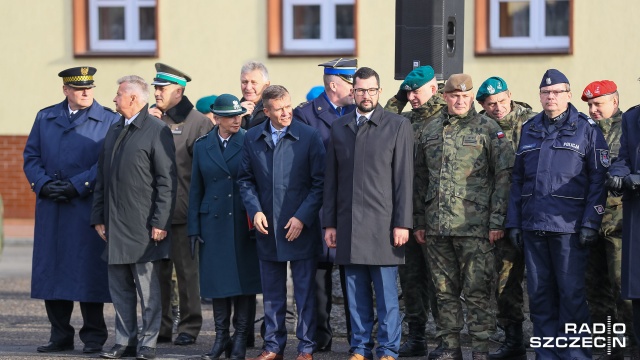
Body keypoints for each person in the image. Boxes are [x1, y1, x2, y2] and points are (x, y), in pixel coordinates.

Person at [505, 69, 608, 360]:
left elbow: (598, 179)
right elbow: (517, 180)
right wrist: (514, 222)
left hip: (570, 227)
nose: (551, 97)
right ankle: (547, 353)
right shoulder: (530, 128)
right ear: (540, 96)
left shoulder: (587, 128)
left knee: (572, 293)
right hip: (534, 225)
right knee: (539, 295)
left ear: (568, 95)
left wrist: (591, 221)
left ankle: (576, 353)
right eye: (546, 93)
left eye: (557, 92)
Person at [413, 74, 514, 360]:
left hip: (476, 227)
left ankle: (481, 349)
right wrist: (419, 221)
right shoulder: (430, 129)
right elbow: (420, 178)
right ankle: (450, 347)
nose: (460, 101)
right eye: (454, 96)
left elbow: (504, 178)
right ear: (444, 97)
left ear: (472, 98)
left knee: (477, 292)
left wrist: (497, 222)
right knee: (443, 292)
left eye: (466, 96)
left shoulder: (488, 129)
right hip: (437, 227)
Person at [23, 66, 120, 354]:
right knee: (52, 270)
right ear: (65, 90)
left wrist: (79, 185)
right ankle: (59, 334)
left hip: (85, 205)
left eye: (89, 87)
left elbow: (105, 161)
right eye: (79, 88)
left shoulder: (108, 120)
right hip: (52, 207)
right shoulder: (45, 117)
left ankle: (93, 336)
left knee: (88, 272)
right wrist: (42, 184)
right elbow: (31, 156)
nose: (86, 92)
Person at [323, 67, 414, 360]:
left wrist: (402, 223)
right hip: (348, 224)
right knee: (355, 294)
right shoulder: (339, 127)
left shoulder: (397, 125)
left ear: (379, 91)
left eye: (371, 90)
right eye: (361, 90)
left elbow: (404, 179)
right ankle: (360, 348)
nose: (366, 95)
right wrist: (330, 224)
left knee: (387, 296)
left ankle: (388, 349)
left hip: (384, 225)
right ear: (353, 92)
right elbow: (331, 181)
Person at [91, 75, 177, 360]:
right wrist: (98, 217)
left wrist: (160, 222)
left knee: (148, 292)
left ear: (133, 99)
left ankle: (148, 343)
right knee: (120, 291)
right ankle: (124, 342)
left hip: (143, 226)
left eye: (118, 95)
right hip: (115, 225)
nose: (114, 99)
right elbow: (102, 178)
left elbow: (167, 180)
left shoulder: (156, 130)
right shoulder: (115, 129)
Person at [238, 85, 325, 360]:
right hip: (267, 228)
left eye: (288, 106)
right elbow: (245, 180)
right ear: (266, 111)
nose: (287, 112)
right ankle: (273, 345)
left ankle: (306, 346)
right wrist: (255, 210)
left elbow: (319, 183)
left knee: (304, 293)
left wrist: (302, 217)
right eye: (279, 109)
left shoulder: (309, 136)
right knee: (272, 293)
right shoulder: (252, 137)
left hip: (300, 227)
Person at [188, 94, 262, 360]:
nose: (236, 120)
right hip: (213, 223)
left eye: (239, 115)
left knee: (244, 283)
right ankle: (221, 338)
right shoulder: (202, 145)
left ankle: (240, 338)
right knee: (218, 283)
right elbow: (196, 188)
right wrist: (193, 228)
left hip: (243, 222)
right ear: (216, 118)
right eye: (230, 116)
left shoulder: (249, 140)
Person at [293, 57, 357, 351]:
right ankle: (320, 337)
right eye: (350, 82)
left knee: (353, 275)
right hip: (319, 207)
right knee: (318, 277)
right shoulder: (306, 114)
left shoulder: (359, 112)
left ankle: (359, 338)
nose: (357, 88)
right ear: (334, 84)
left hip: (351, 206)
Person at [148, 62, 213, 346]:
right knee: (157, 275)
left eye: (162, 88)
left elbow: (206, 170)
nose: (157, 93)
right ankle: (161, 327)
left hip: (183, 210)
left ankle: (189, 325)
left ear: (179, 90)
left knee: (187, 274)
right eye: (156, 88)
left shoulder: (198, 122)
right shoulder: (151, 118)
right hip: (152, 212)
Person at [383, 65, 446, 358]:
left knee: (440, 284)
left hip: (436, 216)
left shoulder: (447, 118)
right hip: (407, 214)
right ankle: (417, 336)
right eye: (408, 92)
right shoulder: (404, 121)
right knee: (410, 281)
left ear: (433, 89)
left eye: (416, 91)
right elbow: (383, 119)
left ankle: (447, 340)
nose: (412, 96)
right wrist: (400, 96)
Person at [475, 76, 536, 360]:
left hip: (535, 214)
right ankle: (514, 342)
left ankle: (552, 340)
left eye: (501, 101)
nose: (497, 108)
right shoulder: (479, 127)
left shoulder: (533, 123)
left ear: (510, 95)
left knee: (544, 281)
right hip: (499, 218)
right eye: (490, 104)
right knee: (505, 282)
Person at [583, 80, 637, 359]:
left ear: (614, 102)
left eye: (598, 104)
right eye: (589, 105)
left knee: (624, 290)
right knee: (596, 290)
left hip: (620, 223)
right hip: (591, 222)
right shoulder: (584, 131)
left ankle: (633, 344)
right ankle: (609, 347)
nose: (593, 110)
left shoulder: (628, 127)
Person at [607, 97, 640, 358]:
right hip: (636, 214)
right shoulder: (632, 117)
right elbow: (624, 157)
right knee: (637, 291)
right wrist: (618, 173)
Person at [240, 61, 270, 129]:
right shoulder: (233, 109)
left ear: (266, 85)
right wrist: (236, 116)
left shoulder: (273, 110)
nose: (248, 87)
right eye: (244, 82)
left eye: (254, 83)